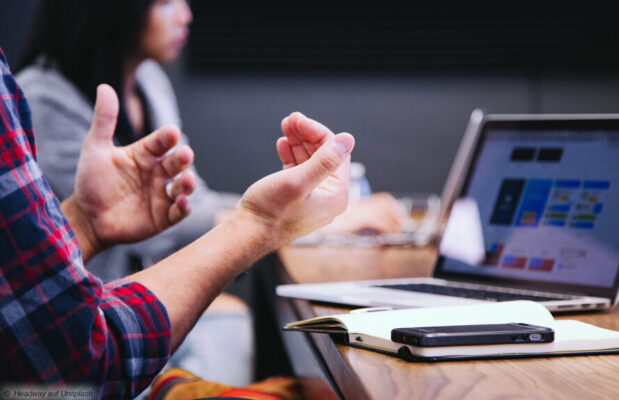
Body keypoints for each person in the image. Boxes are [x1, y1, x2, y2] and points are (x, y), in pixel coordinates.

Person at [16, 0, 404, 384]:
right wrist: (295, 220)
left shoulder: (148, 81)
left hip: (122, 315)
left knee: (232, 320)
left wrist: (289, 213)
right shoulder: (43, 99)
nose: (186, 15)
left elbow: (185, 204)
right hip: (66, 364)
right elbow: (171, 227)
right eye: (166, 2)